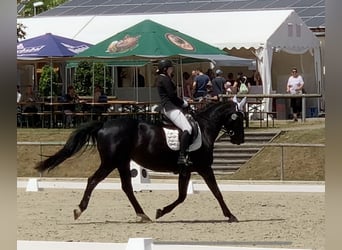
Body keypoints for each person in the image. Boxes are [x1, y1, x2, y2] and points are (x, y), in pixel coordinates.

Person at [156, 59, 192, 175]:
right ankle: (182, 156)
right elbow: (171, 95)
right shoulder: (164, 79)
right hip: (170, 107)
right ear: (166, 69)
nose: (172, 69)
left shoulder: (164, 78)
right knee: (188, 128)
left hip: (169, 106)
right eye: (171, 68)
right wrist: (183, 103)